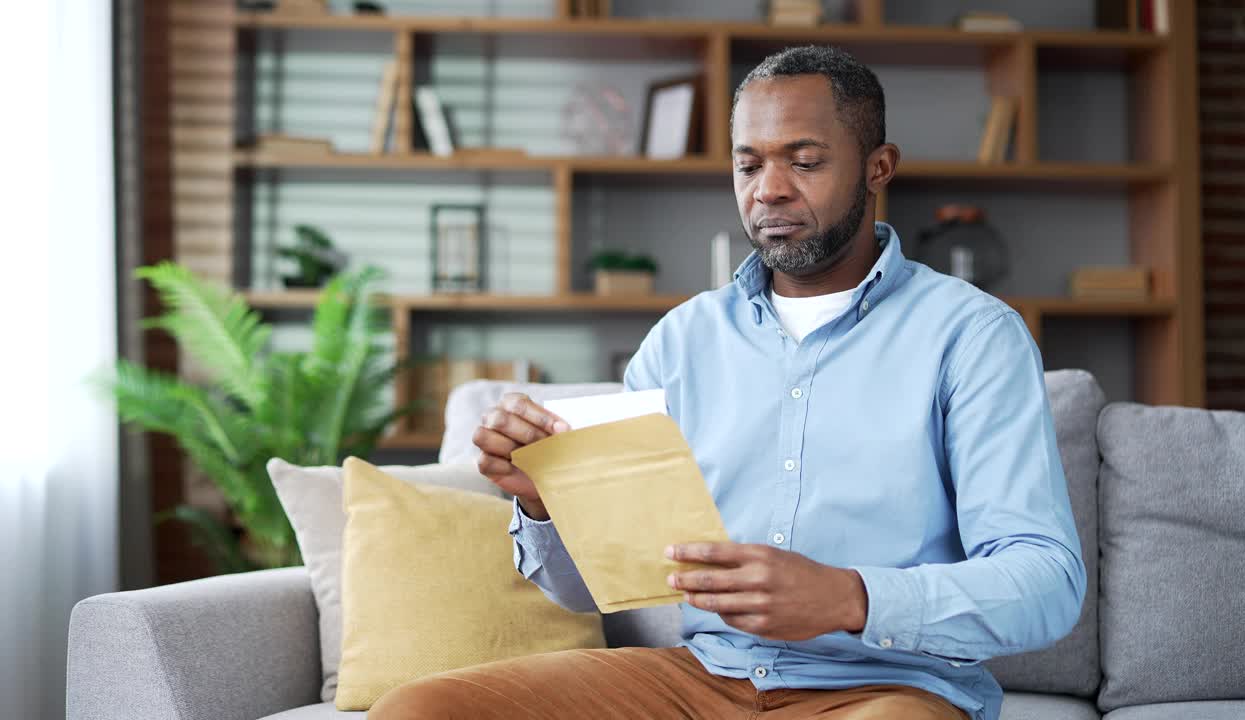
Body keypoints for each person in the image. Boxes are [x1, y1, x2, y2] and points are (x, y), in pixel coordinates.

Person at [370, 45, 1085, 720]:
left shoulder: (972, 335)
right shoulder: (681, 342)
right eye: (749, 167)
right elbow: (598, 589)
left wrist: (850, 597)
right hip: (702, 679)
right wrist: (544, 505)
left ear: (878, 167)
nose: (769, 190)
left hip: (886, 689)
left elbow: (1045, 584)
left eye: (804, 162)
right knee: (419, 710)